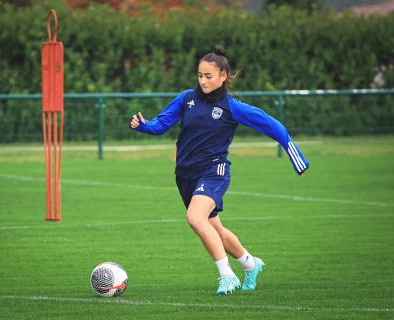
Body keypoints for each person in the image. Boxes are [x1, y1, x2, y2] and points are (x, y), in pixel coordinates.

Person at [129, 47, 309, 296]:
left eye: (209, 76)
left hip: (214, 171)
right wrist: (144, 125)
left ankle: (227, 275)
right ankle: (250, 263)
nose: (203, 81)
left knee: (195, 219)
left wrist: (294, 154)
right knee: (215, 229)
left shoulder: (232, 107)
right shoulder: (186, 99)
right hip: (185, 175)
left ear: (224, 75)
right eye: (200, 75)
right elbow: (160, 125)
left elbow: (271, 125)